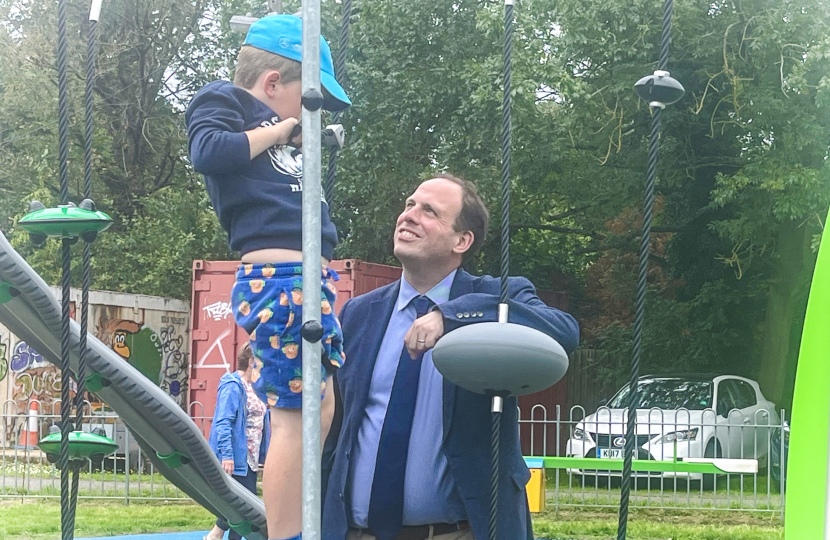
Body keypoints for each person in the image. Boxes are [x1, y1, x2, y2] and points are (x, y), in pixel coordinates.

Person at [322, 174, 580, 540]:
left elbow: (564, 330)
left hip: (459, 532)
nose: (409, 215)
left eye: (429, 211)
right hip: (355, 533)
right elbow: (335, 429)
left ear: (462, 240)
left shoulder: (497, 297)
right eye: (409, 204)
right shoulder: (358, 314)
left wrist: (453, 316)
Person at [185, 14, 351, 540]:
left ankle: (296, 521)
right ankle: (286, 535)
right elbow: (208, 151)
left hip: (307, 280)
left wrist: (313, 138)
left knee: (321, 406)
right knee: (295, 415)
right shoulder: (224, 100)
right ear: (273, 84)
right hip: (278, 277)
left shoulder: (278, 131)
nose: (309, 113)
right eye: (310, 98)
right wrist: (284, 130)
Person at [206, 344, 270, 540]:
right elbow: (223, 421)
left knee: (241, 507)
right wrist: (227, 454)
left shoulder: (256, 387)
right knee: (246, 507)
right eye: (261, 362)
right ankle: (215, 534)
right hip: (236, 457)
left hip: (250, 458)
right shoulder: (233, 385)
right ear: (251, 362)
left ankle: (215, 535)